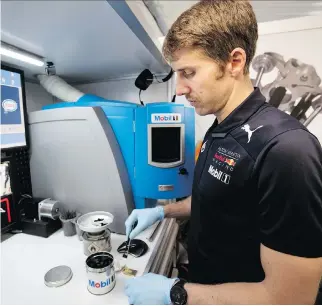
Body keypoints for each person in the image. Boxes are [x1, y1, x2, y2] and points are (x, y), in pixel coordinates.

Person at [124, 0, 322, 304]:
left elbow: (290, 298)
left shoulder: (286, 150)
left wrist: (176, 293)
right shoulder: (220, 130)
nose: (179, 88)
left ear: (234, 62)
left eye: (188, 72)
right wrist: (163, 211)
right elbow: (217, 199)